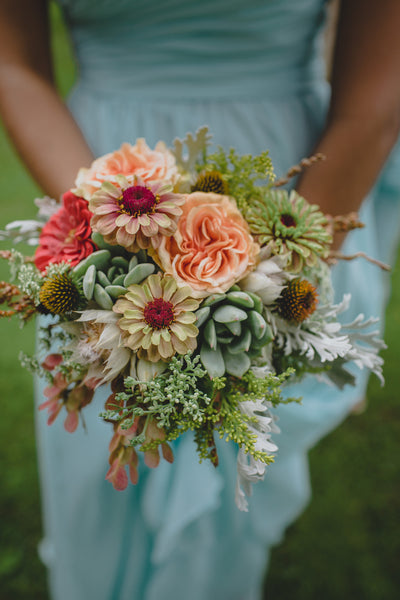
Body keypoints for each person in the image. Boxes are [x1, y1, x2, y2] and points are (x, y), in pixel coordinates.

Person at [1, 1, 400, 599]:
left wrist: (274, 273)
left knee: (232, 481)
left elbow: (377, 91)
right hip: (94, 172)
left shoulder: (283, 240)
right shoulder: (99, 215)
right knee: (97, 466)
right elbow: (14, 63)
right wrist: (110, 236)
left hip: (288, 187)